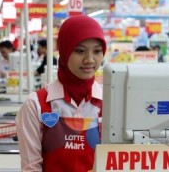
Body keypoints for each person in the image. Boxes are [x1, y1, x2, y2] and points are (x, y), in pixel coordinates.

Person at [16, 15, 107, 172]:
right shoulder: (37, 104)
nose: (90, 60)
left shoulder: (110, 102)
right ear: (64, 51)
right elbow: (31, 168)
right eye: (80, 51)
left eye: (97, 51)